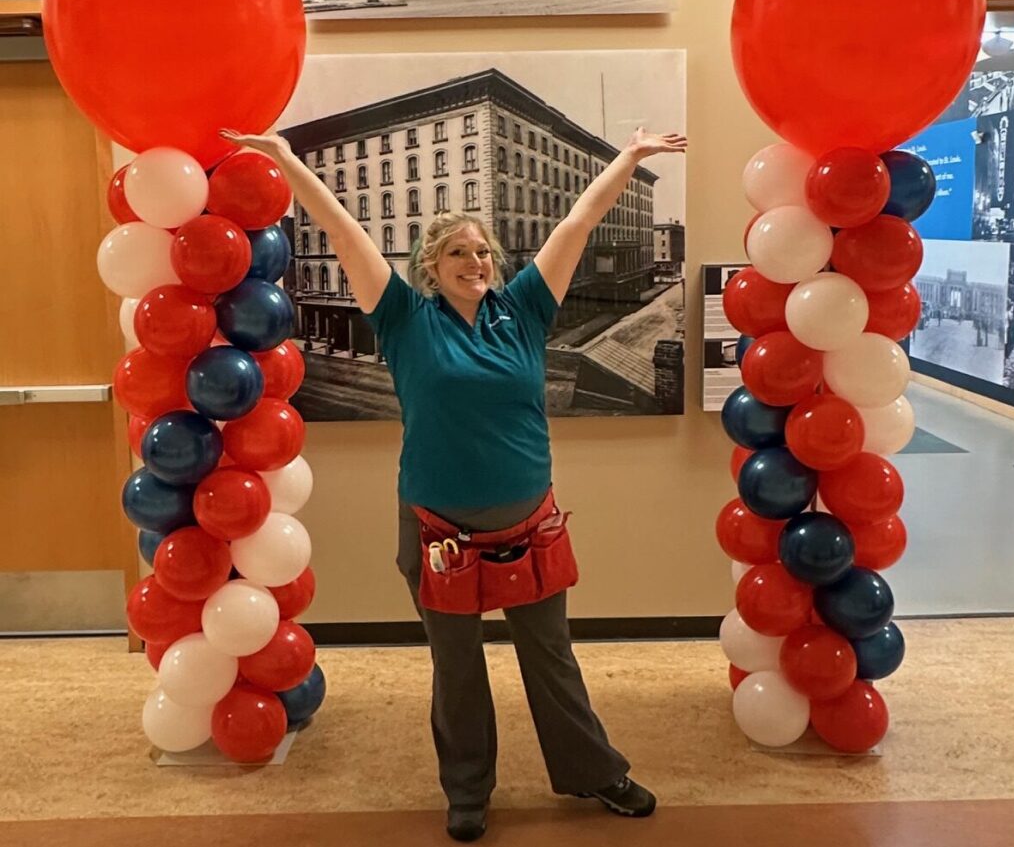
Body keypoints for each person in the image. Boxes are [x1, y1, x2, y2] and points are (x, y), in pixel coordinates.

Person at [220, 124, 687, 842]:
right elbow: (345, 233)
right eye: (457, 251)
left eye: (482, 251)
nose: (474, 260)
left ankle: (595, 770)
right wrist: (287, 162)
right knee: (457, 666)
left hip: (529, 520)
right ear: (428, 265)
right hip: (439, 529)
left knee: (551, 657)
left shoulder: (526, 309)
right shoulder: (405, 319)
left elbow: (577, 222)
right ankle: (467, 789)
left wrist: (628, 158)